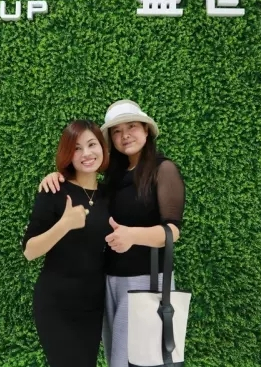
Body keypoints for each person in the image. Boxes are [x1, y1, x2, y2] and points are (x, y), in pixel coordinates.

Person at [38, 100, 186, 367]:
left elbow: (172, 231)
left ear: (146, 130)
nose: (125, 135)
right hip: (110, 281)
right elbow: (84, 188)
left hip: (146, 280)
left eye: (132, 127)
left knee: (138, 361)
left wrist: (132, 236)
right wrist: (56, 176)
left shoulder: (163, 169)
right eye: (117, 131)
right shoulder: (113, 177)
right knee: (116, 359)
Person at [21, 119, 111, 367]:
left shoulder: (109, 194)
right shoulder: (54, 190)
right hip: (57, 302)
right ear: (68, 154)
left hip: (93, 302)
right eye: (77, 148)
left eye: (91, 144)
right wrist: (65, 224)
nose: (86, 153)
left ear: (102, 148)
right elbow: (29, 251)